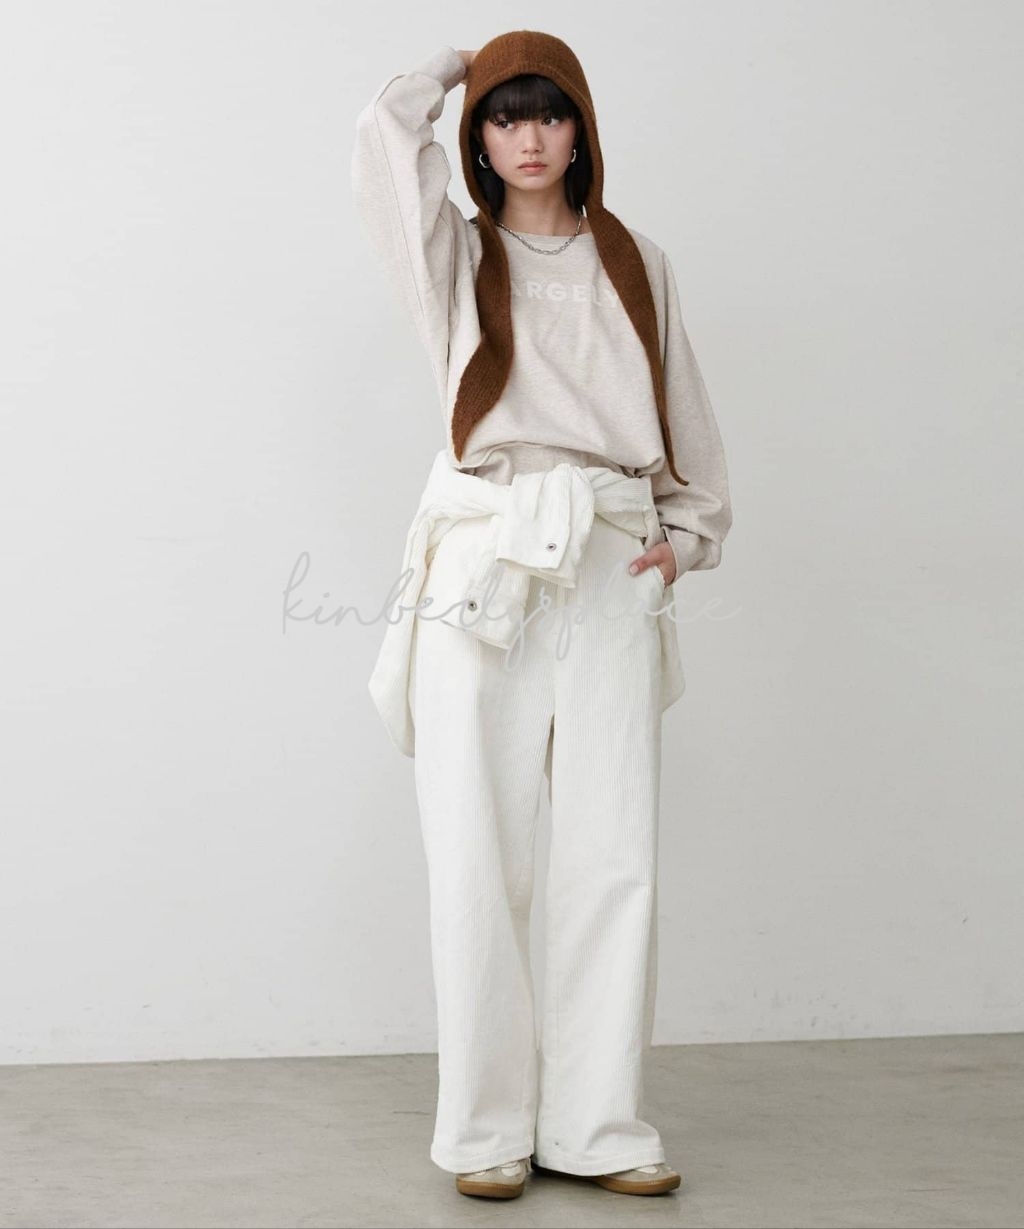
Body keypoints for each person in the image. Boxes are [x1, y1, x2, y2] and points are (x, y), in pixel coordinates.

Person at [352, 29, 732, 1200]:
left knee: (613, 851)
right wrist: (451, 65)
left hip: (613, 555)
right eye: (504, 116)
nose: (528, 137)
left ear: (581, 131)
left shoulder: (637, 260)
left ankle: (595, 1125)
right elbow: (382, 139)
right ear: (476, 136)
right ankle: (484, 1130)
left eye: (548, 112)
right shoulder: (455, 258)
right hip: (486, 560)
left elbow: (681, 406)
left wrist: (687, 536)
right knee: (477, 849)